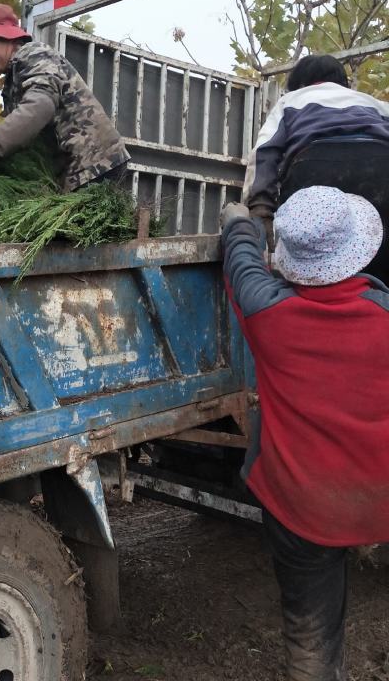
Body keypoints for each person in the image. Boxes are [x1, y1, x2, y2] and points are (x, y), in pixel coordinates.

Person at [220, 186, 389, 681]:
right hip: (378, 494)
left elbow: (243, 264)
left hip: (303, 507)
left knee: (309, 633)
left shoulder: (266, 313)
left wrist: (238, 223)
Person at [242, 54, 389, 273]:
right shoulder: (377, 105)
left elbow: (264, 152)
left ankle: (310, 293)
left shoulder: (290, 101)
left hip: (314, 167)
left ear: (300, 83)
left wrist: (260, 205)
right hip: (380, 168)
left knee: (309, 246)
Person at [0, 3, 130, 190]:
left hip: (94, 166)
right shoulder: (15, 77)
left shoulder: (33, 54)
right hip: (78, 171)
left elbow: (40, 107)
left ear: (8, 37)